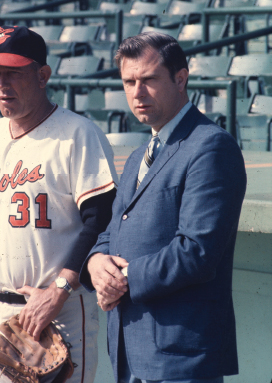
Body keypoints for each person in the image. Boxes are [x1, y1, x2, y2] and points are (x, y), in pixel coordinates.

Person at [80, 32, 247, 383]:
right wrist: (96, 263)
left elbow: (196, 251)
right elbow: (112, 232)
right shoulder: (139, 156)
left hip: (180, 360)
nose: (137, 93)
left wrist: (120, 280)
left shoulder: (211, 147)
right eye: (129, 82)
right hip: (130, 353)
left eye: (149, 80)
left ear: (181, 78)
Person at [0, 25, 118, 383]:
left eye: (13, 72)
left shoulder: (78, 134)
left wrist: (59, 290)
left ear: (42, 75)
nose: (1, 83)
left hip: (56, 312)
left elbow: (101, 220)